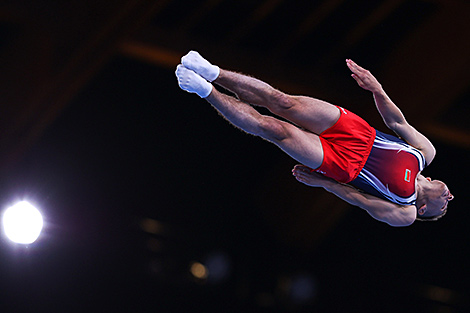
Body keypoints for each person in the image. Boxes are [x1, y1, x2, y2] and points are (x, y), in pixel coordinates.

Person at [175, 51, 454, 227]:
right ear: (429, 179)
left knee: (275, 130)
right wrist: (377, 89)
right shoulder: (425, 154)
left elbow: (360, 200)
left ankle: (206, 91)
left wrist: (324, 183)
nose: (450, 197)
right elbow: (396, 121)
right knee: (282, 102)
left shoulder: (406, 212)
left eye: (445, 205)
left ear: (424, 208)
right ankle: (214, 72)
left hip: (343, 166)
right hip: (359, 132)